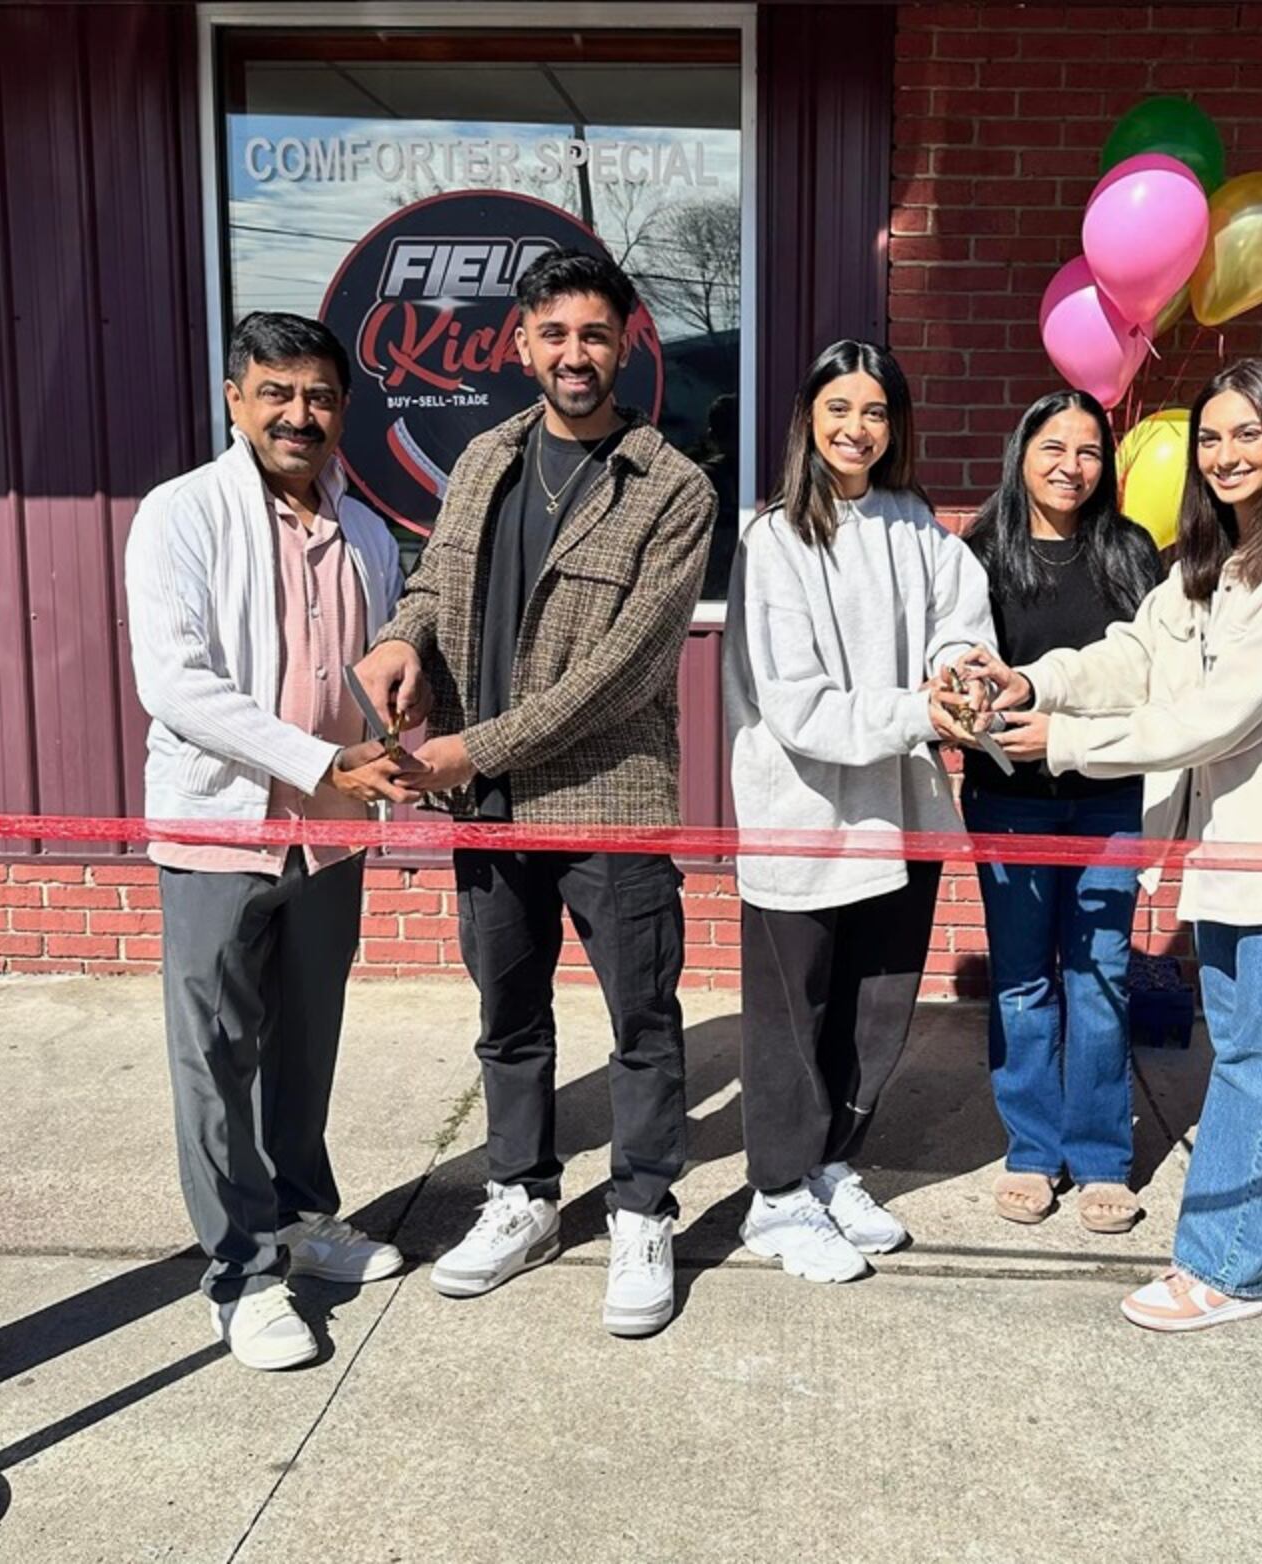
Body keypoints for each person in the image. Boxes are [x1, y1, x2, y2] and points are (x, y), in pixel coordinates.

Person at [355, 248, 716, 1337]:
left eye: (594, 335)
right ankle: (520, 1196)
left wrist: (477, 748)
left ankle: (643, 1206)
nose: (574, 354)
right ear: (521, 343)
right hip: (490, 808)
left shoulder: (672, 487)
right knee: (506, 1017)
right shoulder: (481, 461)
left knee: (642, 1021)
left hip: (608, 796)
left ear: (625, 344)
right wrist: (397, 638)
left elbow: (625, 671)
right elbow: (432, 577)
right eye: (553, 333)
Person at [961, 359, 1262, 1332]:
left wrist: (1066, 742)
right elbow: (1135, 655)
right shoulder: (1213, 558)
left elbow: (1218, 715)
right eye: (1211, 439)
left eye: (1246, 435)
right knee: (1261, 1058)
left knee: (1256, 1063)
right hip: (1225, 850)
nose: (1225, 456)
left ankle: (1221, 1270)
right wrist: (1036, 686)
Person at [125, 312, 416, 1372]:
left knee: (304, 1048)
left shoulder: (369, 533)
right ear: (236, 398)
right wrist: (318, 759)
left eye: (321, 397)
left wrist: (395, 745)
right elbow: (176, 682)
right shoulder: (181, 515)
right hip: (219, 827)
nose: (301, 415)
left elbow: (373, 684)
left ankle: (302, 1221)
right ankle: (241, 1274)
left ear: (343, 410)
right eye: (278, 393)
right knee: (214, 1057)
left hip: (330, 839)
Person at [723, 340, 995, 1284]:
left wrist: (962, 670)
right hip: (803, 810)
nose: (857, 429)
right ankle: (776, 1194)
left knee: (877, 1006)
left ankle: (832, 1165)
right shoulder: (772, 537)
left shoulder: (916, 524)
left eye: (875, 411)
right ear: (807, 418)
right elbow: (794, 704)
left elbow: (962, 618)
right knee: (794, 1012)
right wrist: (922, 708)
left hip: (902, 807)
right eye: (839, 408)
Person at [962, 390, 1162, 1233]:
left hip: (1107, 797)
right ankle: (1033, 1151)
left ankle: (1102, 1156)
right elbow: (958, 663)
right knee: (1022, 978)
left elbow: (1150, 674)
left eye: (1087, 451)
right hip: (1008, 797)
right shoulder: (981, 551)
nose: (1069, 466)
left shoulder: (1129, 549)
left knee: (1102, 971)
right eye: (1052, 446)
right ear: (1021, 451)